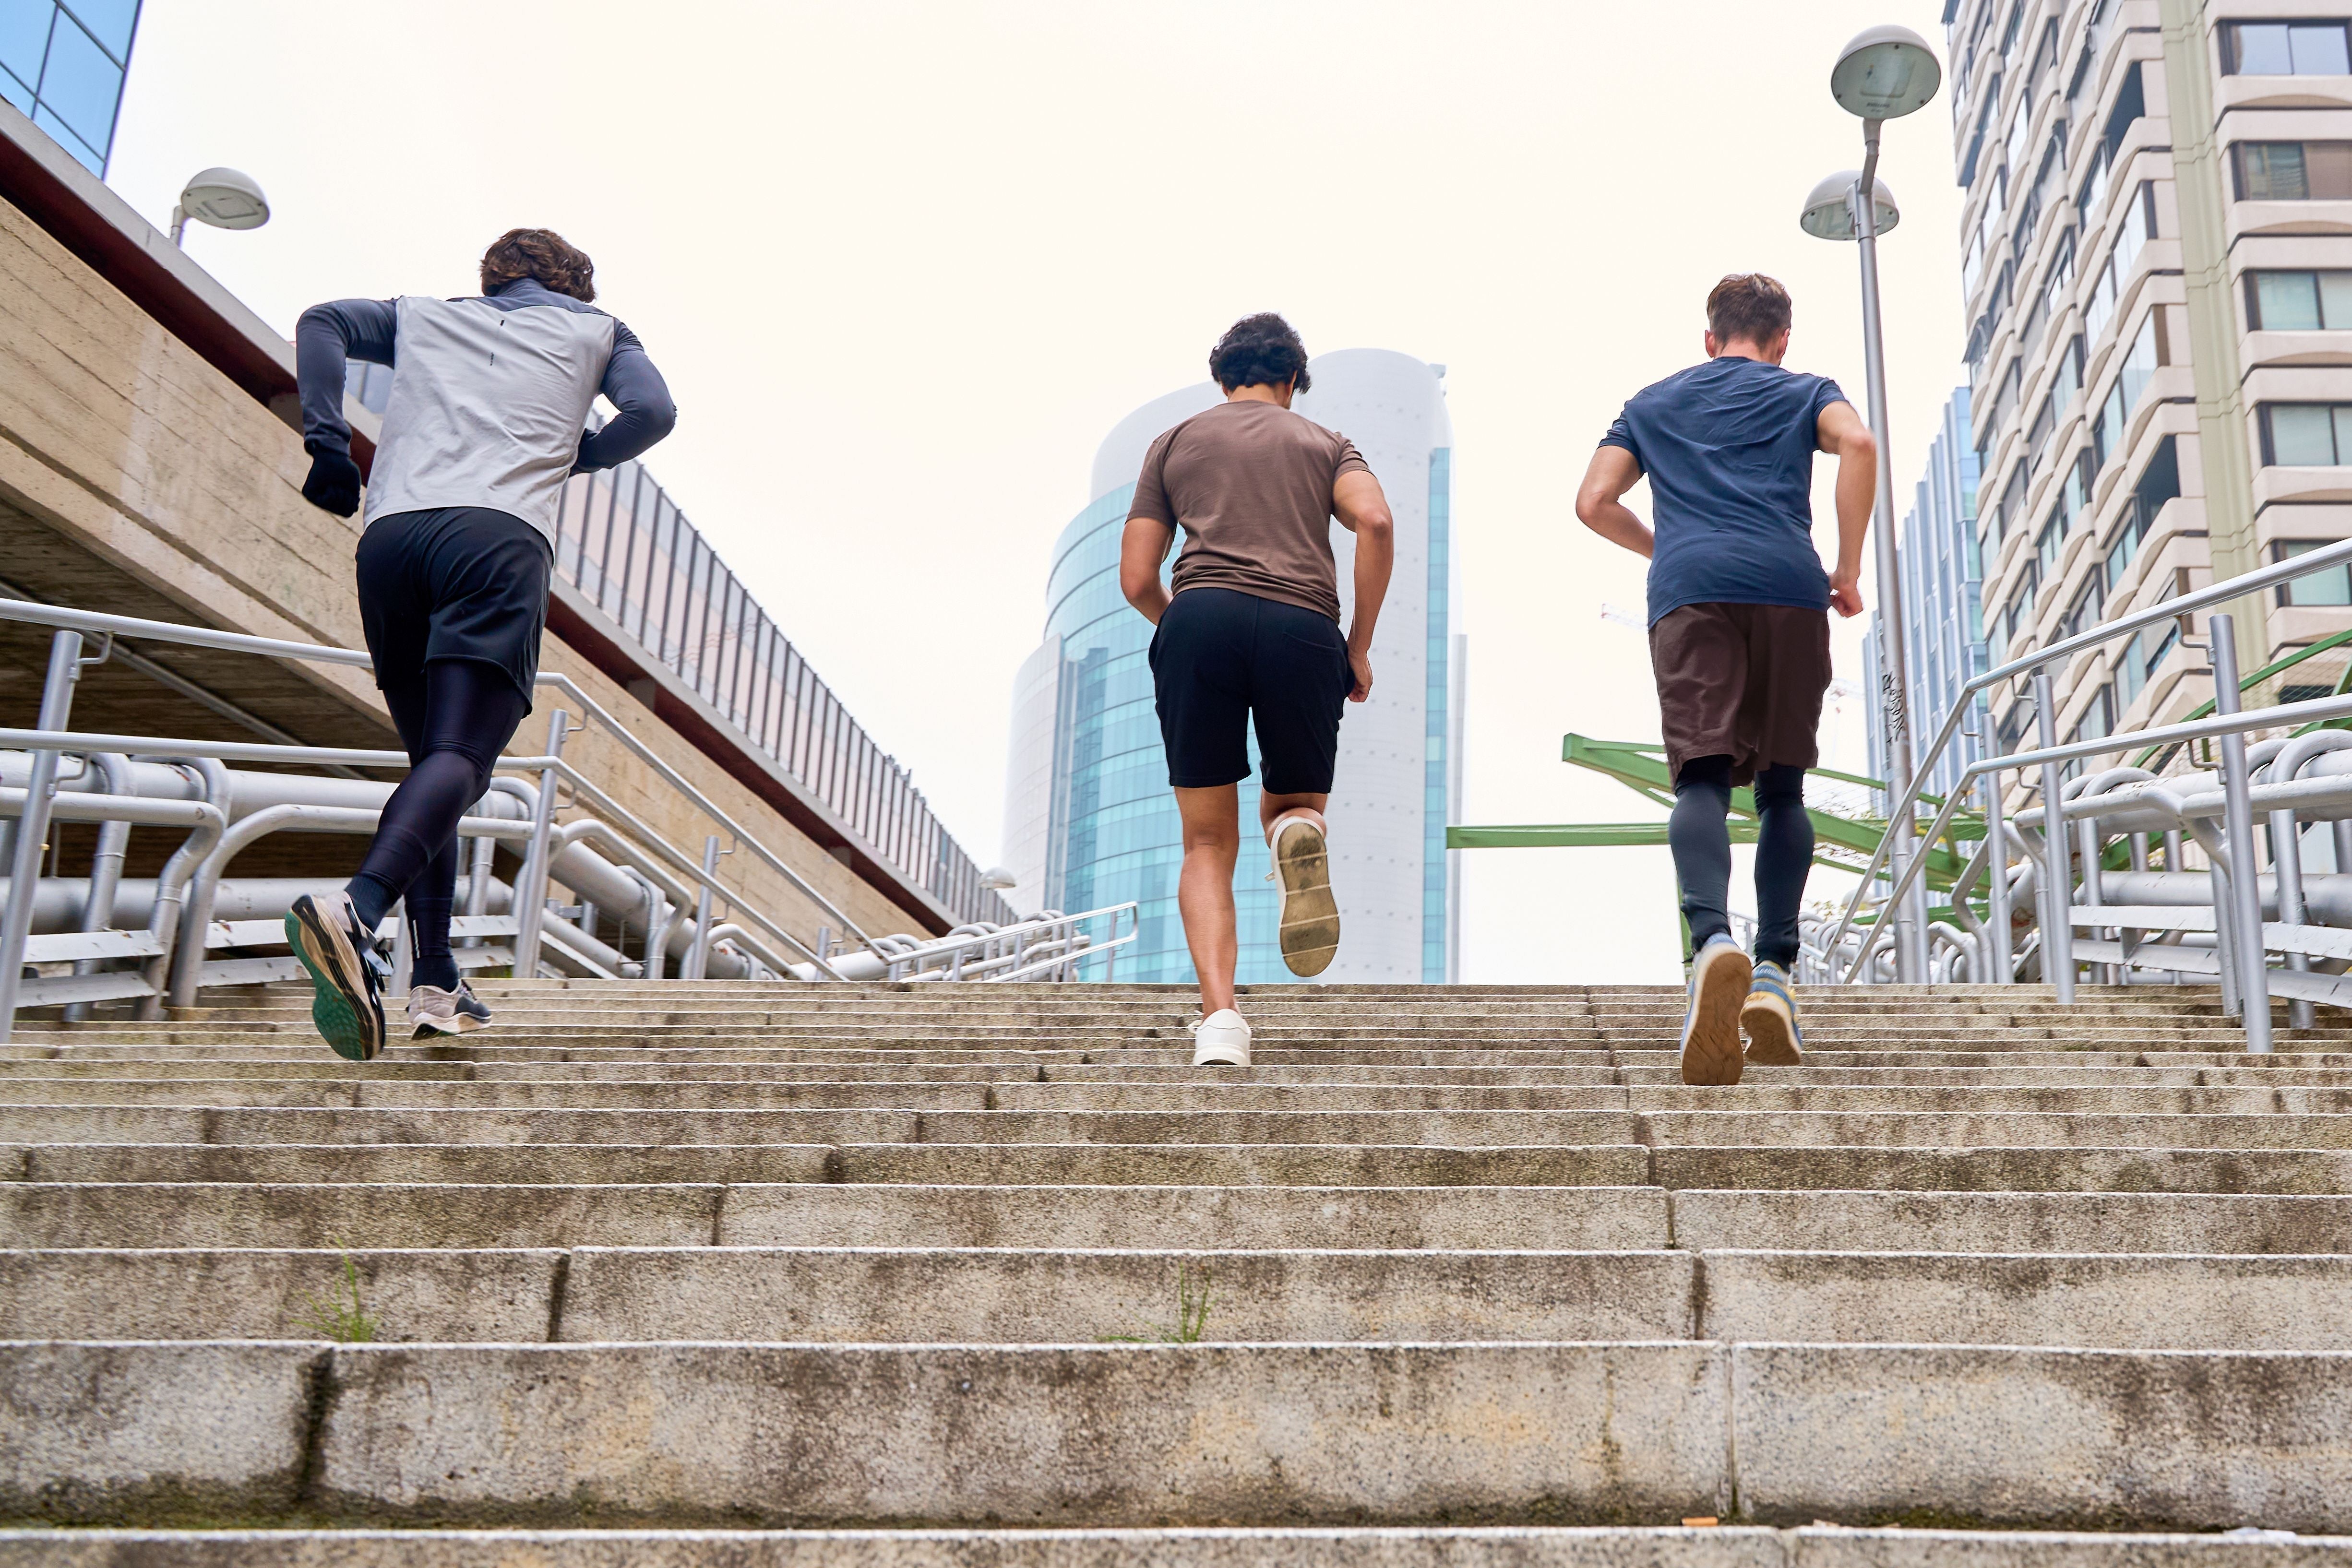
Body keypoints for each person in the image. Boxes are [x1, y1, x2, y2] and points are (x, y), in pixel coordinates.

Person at [287, 228, 676, 1060]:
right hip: (494, 537)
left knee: (437, 762)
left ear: (494, 278)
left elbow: (322, 320)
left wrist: (328, 442)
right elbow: (653, 412)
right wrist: (574, 458)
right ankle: (357, 910)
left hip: (391, 539)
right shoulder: (599, 329)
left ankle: (435, 979)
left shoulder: (424, 316)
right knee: (464, 756)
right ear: (574, 284)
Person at [1574, 273, 1875, 1086]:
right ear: (1781, 339)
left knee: (1700, 781)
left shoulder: (1650, 403)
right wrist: (1845, 568)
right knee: (1782, 791)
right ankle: (1774, 972)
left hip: (1690, 592)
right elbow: (1859, 445)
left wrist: (1669, 549)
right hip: (1788, 586)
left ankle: (1711, 942)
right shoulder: (1805, 389)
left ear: (1709, 338)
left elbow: (1592, 501)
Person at [1121, 313, 1395, 1069]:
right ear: (1292, 383)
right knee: (1297, 804)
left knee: (1206, 839)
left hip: (1199, 616)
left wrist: (1186, 626)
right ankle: (1290, 834)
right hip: (1302, 628)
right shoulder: (1328, 444)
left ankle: (1221, 1022)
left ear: (1222, 378)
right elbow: (1372, 521)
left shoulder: (1174, 442)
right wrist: (1358, 646)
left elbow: (1136, 578)